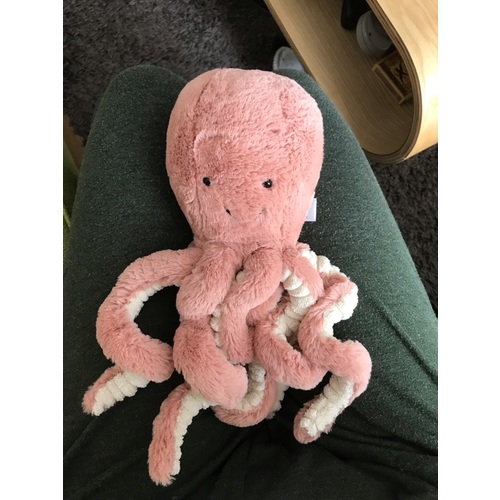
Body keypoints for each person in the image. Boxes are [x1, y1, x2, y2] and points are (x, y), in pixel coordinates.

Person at [63, 65, 438, 499]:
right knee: (304, 86)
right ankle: (290, 70)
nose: (241, 207)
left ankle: (290, 68)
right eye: (207, 182)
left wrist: (144, 354)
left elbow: (129, 293)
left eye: (266, 184)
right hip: (416, 468)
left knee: (139, 89)